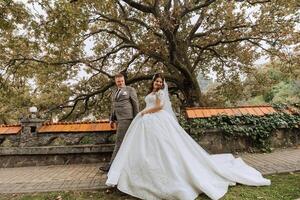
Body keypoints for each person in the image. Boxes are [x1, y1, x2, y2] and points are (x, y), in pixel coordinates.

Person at [106, 73, 270, 200]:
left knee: (163, 147)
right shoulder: (151, 92)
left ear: (162, 84)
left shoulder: (161, 93)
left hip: (156, 120)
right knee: (144, 148)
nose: (158, 83)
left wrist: (144, 112)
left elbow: (159, 106)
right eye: (156, 81)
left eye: (160, 82)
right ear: (153, 82)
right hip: (146, 121)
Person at [100, 73, 139, 172]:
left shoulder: (130, 90)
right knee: (124, 142)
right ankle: (124, 164)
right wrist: (111, 119)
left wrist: (136, 119)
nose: (120, 83)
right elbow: (113, 107)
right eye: (118, 81)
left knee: (119, 142)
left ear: (124, 80)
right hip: (118, 119)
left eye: (122, 81)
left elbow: (135, 105)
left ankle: (111, 165)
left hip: (127, 118)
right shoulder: (114, 92)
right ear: (115, 82)